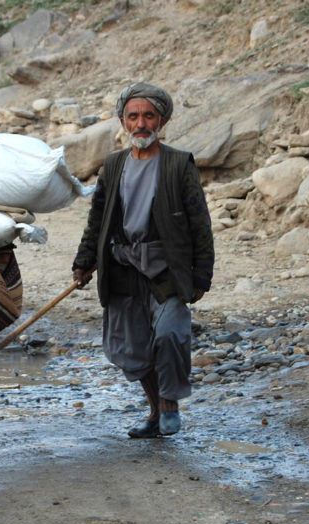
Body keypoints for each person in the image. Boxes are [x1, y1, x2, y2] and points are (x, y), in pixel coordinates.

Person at [72, 82, 215, 438]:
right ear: (123, 121)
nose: (141, 124)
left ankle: (169, 404)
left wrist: (202, 276)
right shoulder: (113, 165)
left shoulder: (179, 164)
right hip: (122, 268)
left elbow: (200, 223)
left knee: (169, 335)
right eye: (133, 116)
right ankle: (154, 412)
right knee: (132, 349)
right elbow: (98, 218)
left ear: (162, 121)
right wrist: (84, 259)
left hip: (167, 269)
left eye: (148, 116)